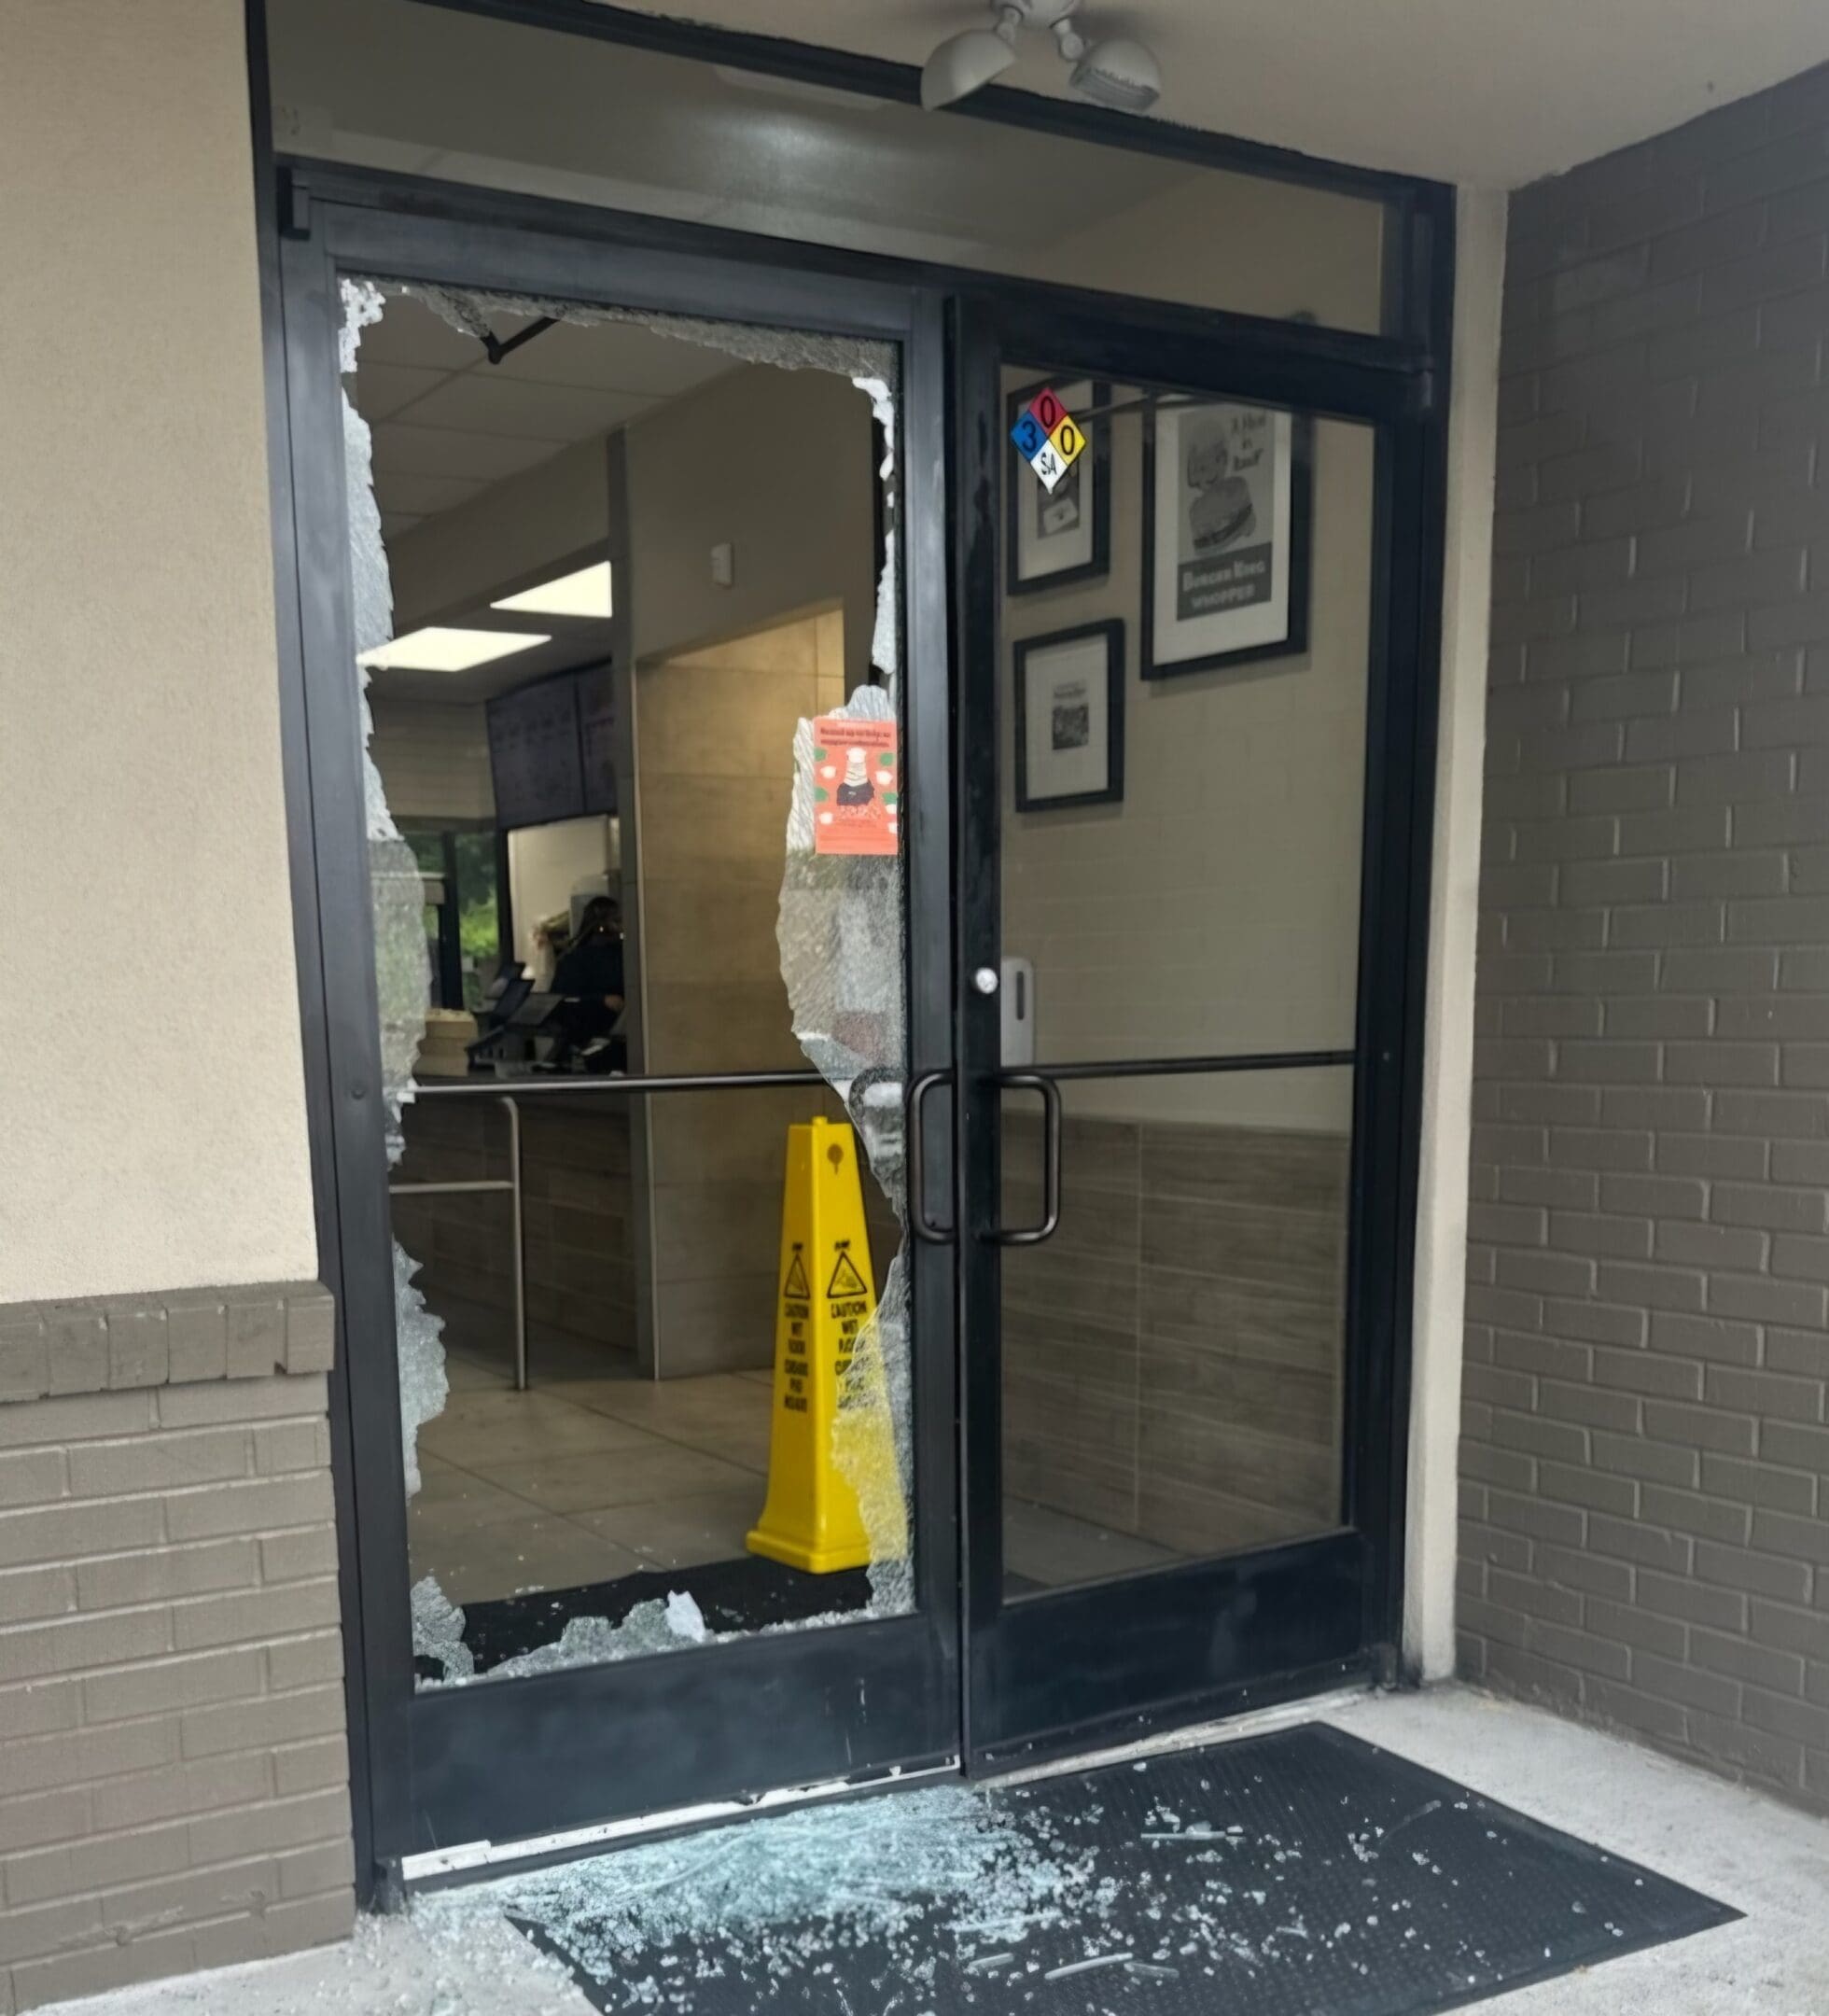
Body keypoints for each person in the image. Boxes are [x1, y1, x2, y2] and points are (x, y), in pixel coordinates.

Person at [550, 895, 626, 1070]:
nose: (621, 927)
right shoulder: (576, 959)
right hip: (587, 1035)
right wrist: (600, 1000)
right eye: (616, 921)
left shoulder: (625, 954)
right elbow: (561, 1000)